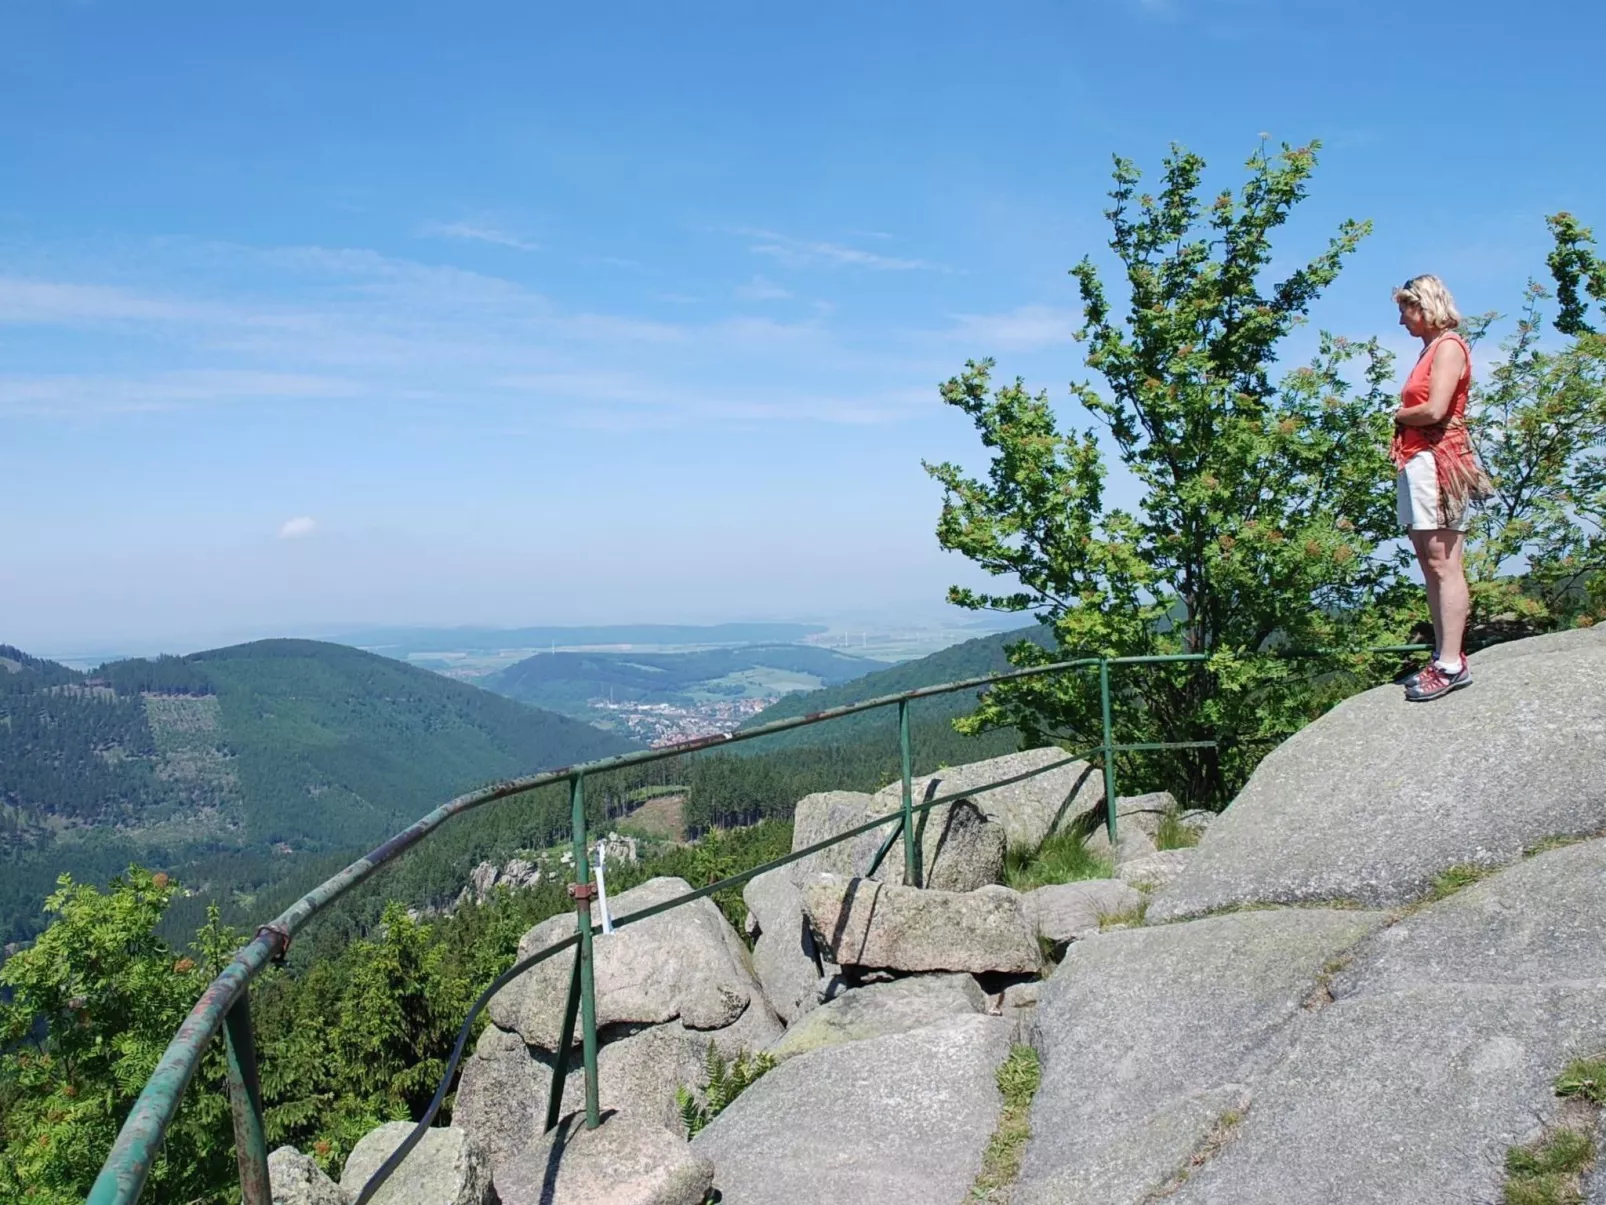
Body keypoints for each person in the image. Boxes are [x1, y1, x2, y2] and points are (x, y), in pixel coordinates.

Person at [1391, 274, 1488, 702]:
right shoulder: (1430, 349)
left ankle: (1451, 663)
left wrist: (1399, 414)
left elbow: (1434, 409)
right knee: (1431, 563)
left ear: (1423, 306)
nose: (1401, 321)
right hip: (1420, 461)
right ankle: (1442, 654)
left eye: (1404, 310)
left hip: (1438, 460)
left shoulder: (1448, 347)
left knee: (1443, 562)